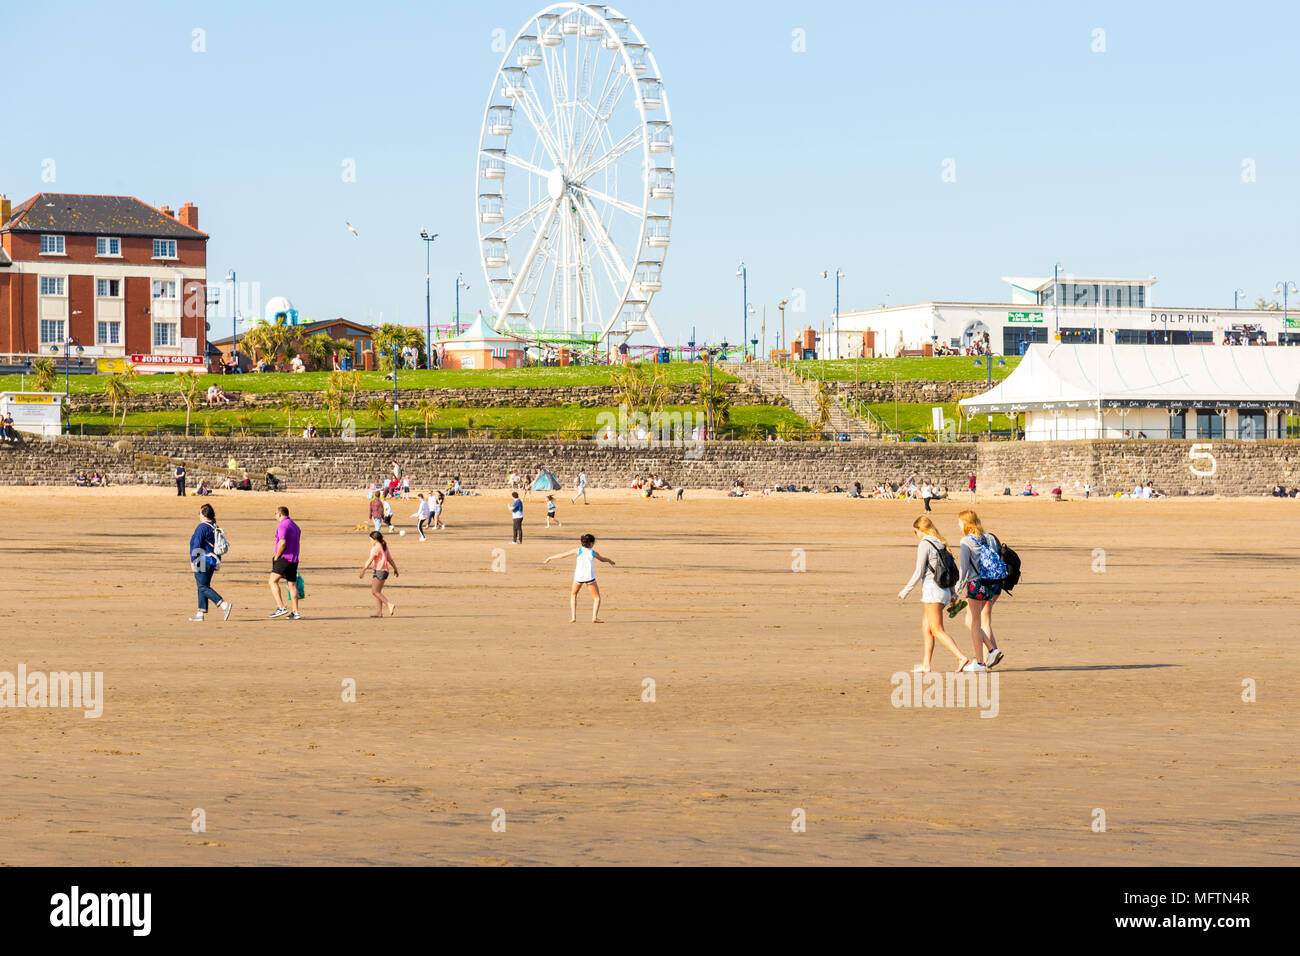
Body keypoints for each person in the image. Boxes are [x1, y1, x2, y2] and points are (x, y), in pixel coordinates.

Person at [897, 515, 972, 673]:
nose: (916, 535)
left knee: (937, 629)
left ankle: (961, 657)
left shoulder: (925, 543)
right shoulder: (941, 543)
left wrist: (905, 591)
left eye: (915, 532)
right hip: (944, 590)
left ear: (920, 530)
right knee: (926, 627)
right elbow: (949, 569)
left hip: (933, 590)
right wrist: (952, 594)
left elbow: (919, 571)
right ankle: (926, 665)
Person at [955, 510, 1006, 671]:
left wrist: (957, 590)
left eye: (959, 521)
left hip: (975, 584)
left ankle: (981, 662)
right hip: (989, 584)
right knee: (971, 621)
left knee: (975, 623)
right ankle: (991, 651)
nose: (958, 524)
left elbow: (963, 569)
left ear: (966, 523)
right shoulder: (983, 538)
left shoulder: (966, 541)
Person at [544, 533, 616, 624]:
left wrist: (550, 558)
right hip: (590, 577)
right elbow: (602, 559)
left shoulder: (578, 550)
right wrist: (610, 561)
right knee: (597, 598)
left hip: (579, 577)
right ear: (591, 543)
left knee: (573, 595)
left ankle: (573, 617)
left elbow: (563, 555)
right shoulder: (593, 552)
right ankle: (594, 617)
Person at [189, 503, 233, 622]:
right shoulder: (214, 526)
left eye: (199, 513)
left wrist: (193, 561)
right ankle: (200, 613)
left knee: (203, 586)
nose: (199, 515)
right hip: (212, 560)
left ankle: (223, 605)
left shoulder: (202, 527)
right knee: (202, 586)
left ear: (203, 514)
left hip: (203, 560)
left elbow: (196, 545)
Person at [268, 506, 302, 620]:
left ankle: (281, 607)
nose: (275, 516)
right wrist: (296, 557)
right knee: (291, 584)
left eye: (275, 514)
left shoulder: (283, 525)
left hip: (284, 558)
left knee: (272, 581)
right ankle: (296, 612)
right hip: (294, 559)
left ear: (280, 514)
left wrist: (277, 557)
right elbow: (298, 544)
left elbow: (282, 543)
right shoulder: (295, 526)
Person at [359, 530, 399, 617]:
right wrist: (395, 569)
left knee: (375, 592)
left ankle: (389, 604)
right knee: (378, 592)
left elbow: (370, 559)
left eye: (370, 540)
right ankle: (379, 612)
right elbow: (390, 560)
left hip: (380, 571)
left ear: (375, 539)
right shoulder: (384, 547)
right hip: (384, 571)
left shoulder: (376, 548)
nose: (370, 541)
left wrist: (363, 570)